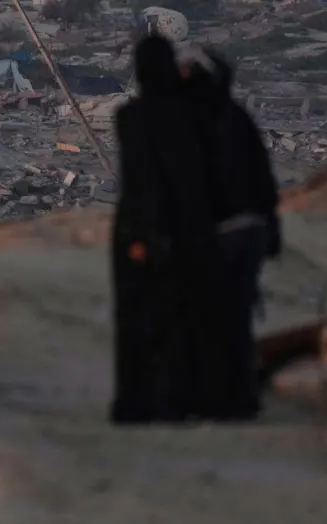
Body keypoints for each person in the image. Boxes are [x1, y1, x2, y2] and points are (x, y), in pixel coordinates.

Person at [110, 35, 217, 424]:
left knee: (135, 318)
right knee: (178, 317)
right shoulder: (190, 115)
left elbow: (139, 182)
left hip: (136, 227)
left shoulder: (129, 117)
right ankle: (175, 400)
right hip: (186, 228)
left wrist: (140, 235)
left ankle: (134, 402)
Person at [180, 49, 280, 421]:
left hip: (218, 237)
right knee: (236, 318)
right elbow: (265, 181)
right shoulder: (238, 117)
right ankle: (239, 398)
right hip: (251, 232)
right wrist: (273, 233)